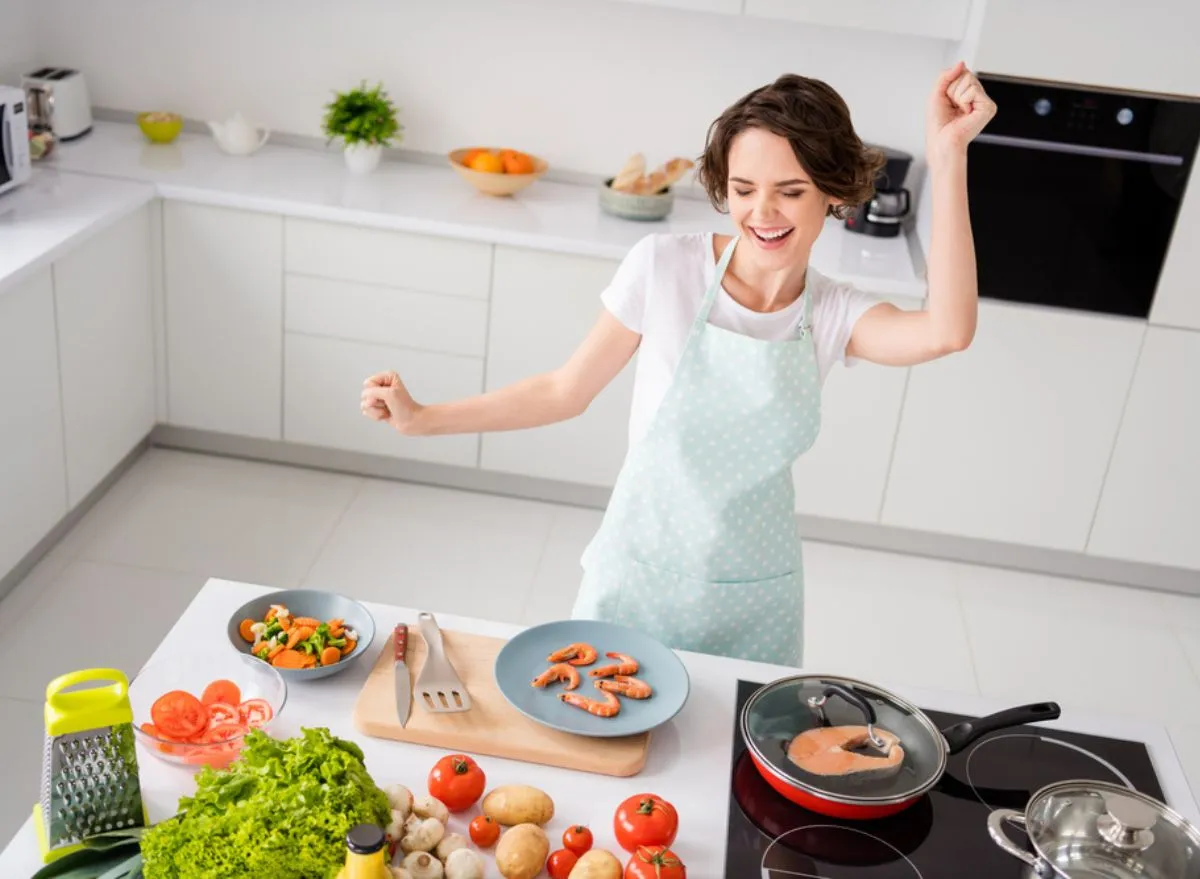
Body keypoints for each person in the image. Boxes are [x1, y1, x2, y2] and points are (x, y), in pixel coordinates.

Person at [360, 62, 996, 667]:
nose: (762, 213)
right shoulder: (665, 268)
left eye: (790, 192)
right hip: (638, 575)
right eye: (744, 190)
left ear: (832, 193)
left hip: (756, 596)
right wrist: (423, 418)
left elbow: (948, 331)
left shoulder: (831, 313)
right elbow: (563, 391)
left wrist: (949, 158)